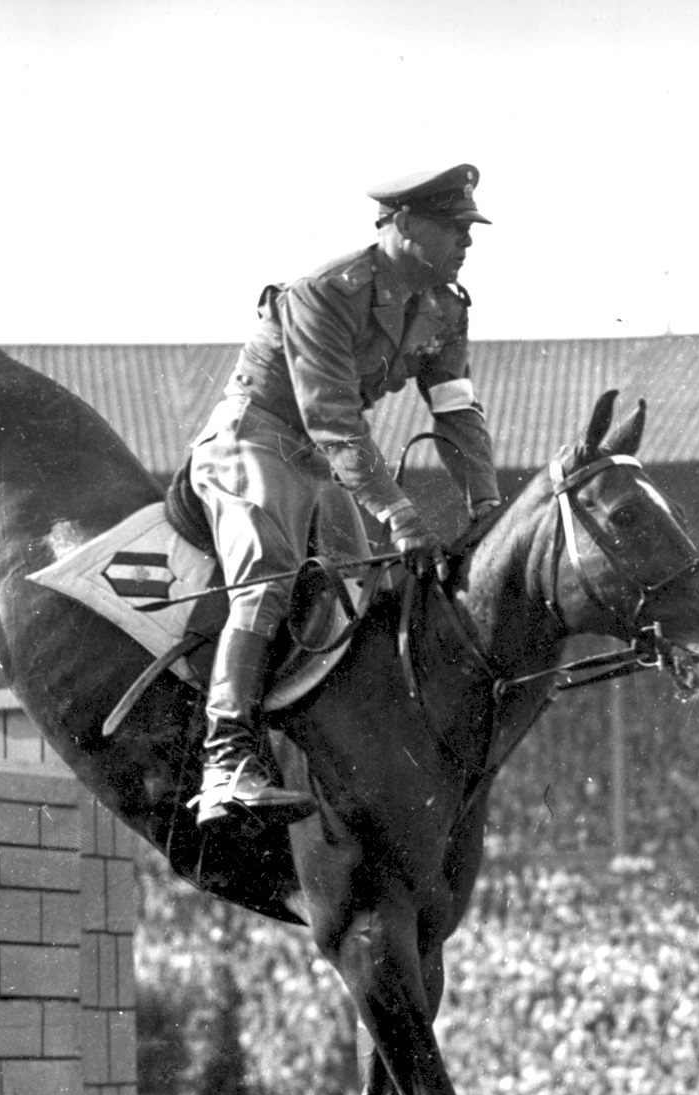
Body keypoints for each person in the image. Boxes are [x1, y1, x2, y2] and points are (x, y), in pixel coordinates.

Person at [188, 163, 502, 827]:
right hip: (254, 440)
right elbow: (332, 418)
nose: (467, 241)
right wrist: (398, 512)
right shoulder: (323, 294)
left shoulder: (447, 309)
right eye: (454, 227)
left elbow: (455, 410)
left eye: (469, 228)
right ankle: (225, 761)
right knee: (270, 572)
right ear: (405, 225)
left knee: (360, 600)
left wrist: (486, 506)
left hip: (318, 464)